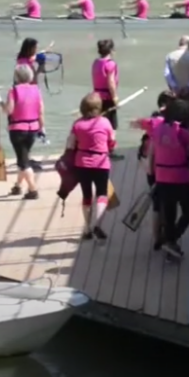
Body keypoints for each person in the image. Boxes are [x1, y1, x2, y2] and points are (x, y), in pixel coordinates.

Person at [148, 98, 189, 259]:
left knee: (169, 213)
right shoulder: (182, 132)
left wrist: (152, 174)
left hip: (162, 177)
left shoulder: (156, 130)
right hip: (181, 178)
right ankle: (170, 240)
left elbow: (152, 153)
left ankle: (169, 247)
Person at [66, 93, 117, 241]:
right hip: (101, 162)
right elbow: (112, 141)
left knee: (87, 196)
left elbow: (70, 144)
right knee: (101, 194)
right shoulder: (105, 123)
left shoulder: (77, 125)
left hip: (82, 163)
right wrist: (109, 147)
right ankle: (98, 223)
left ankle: (87, 229)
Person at [133, 91, 175, 249]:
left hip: (153, 174)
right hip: (165, 172)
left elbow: (145, 159)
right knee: (167, 205)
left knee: (157, 206)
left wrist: (150, 174)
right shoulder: (165, 132)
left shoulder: (147, 137)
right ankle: (164, 235)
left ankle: (157, 238)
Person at [4, 65, 45, 200]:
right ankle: (17, 186)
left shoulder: (13, 91)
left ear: (16, 77)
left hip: (18, 129)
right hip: (33, 128)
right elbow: (41, 111)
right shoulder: (36, 90)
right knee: (23, 157)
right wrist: (42, 127)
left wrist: (2, 106)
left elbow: (9, 110)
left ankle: (33, 190)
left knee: (23, 161)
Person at [91, 39, 122, 158]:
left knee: (98, 124)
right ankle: (110, 150)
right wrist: (115, 98)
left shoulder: (96, 62)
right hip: (107, 98)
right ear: (111, 50)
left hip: (96, 97)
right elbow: (111, 82)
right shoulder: (110, 64)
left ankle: (98, 148)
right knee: (112, 126)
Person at [164, 36, 189, 127]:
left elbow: (167, 74)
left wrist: (174, 86)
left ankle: (175, 137)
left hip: (174, 92)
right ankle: (187, 137)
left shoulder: (169, 56)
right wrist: (188, 86)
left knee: (174, 116)